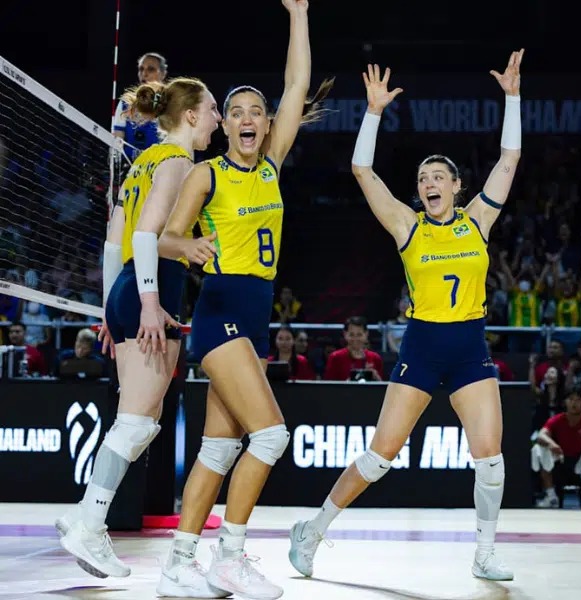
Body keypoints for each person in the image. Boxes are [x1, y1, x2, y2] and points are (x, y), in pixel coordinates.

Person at [288, 50, 524, 582]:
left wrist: (512, 99)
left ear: (457, 187)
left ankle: (484, 552)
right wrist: (372, 112)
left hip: (469, 347)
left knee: (490, 458)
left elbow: (508, 160)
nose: (429, 183)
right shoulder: (406, 226)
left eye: (439, 176)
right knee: (380, 457)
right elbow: (361, 169)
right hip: (421, 346)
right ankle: (314, 528)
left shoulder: (478, 220)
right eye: (422, 178)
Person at [157, 1, 329, 597]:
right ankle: (230, 554)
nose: (251, 118)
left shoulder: (271, 167)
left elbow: (298, 82)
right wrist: (191, 247)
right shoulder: (207, 174)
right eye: (239, 112)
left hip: (254, 316)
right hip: (222, 310)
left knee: (218, 447)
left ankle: (179, 563)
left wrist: (299, 14)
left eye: (259, 111)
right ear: (226, 126)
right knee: (272, 436)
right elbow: (165, 238)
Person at [54, 76, 220, 591]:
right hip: (152, 293)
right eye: (214, 109)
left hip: (126, 287)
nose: (218, 118)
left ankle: (85, 516)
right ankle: (88, 522)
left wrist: (112, 306)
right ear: (190, 115)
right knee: (135, 423)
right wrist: (150, 303)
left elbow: (114, 242)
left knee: (140, 421)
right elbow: (146, 234)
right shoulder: (176, 163)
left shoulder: (138, 164)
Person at [113, 52, 169, 161]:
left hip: (160, 166)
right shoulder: (126, 102)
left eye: (151, 69)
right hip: (130, 167)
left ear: (163, 73)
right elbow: (117, 139)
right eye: (141, 69)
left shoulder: (171, 103)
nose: (144, 73)